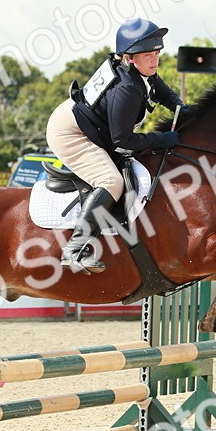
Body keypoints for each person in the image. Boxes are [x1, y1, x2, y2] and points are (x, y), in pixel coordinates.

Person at [45, 18, 185, 273]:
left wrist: (180, 107)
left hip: (89, 125)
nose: (155, 60)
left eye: (157, 53)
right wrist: (162, 139)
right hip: (70, 132)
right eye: (148, 55)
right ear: (129, 57)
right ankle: (74, 249)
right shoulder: (126, 88)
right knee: (111, 181)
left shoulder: (141, 72)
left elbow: (163, 91)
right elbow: (122, 140)